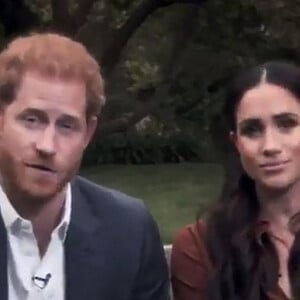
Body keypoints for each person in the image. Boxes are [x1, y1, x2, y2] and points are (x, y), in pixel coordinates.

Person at [0, 32, 169, 300]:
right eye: (32, 120)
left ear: (88, 135)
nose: (48, 145)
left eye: (67, 126)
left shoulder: (129, 231)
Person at [170, 61, 300, 300]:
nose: (270, 146)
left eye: (287, 124)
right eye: (252, 130)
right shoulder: (200, 246)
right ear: (236, 143)